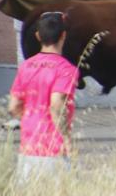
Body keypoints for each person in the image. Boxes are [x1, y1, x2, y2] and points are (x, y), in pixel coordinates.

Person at [8, 12, 80, 182]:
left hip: (28, 146)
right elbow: (56, 105)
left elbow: (13, 106)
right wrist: (66, 139)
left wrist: (30, 119)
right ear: (63, 35)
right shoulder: (66, 70)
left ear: (38, 36)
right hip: (55, 149)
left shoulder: (26, 67)